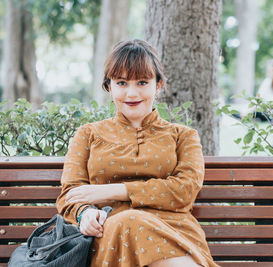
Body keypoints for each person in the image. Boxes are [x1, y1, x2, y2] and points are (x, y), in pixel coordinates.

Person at [56, 39, 219, 267]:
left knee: (134, 220)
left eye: (142, 82)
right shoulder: (88, 134)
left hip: (174, 231)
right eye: (122, 83)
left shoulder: (183, 136)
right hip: (109, 234)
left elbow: (184, 190)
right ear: (109, 86)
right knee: (129, 221)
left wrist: (112, 191)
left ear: (158, 85)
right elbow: (70, 195)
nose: (132, 93)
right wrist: (85, 215)